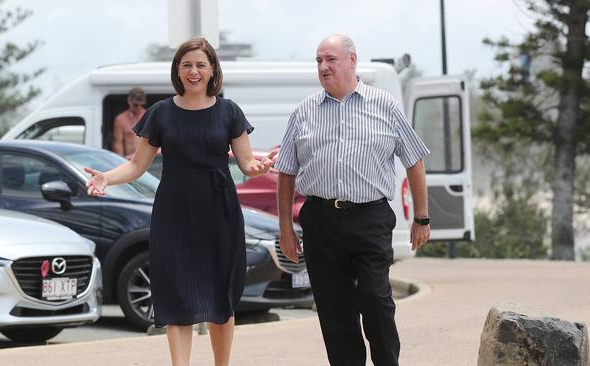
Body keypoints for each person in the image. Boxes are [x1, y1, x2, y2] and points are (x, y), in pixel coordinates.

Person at [85, 38, 275, 366]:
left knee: (221, 299)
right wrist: (106, 178)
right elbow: (136, 165)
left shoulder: (229, 111)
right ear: (177, 70)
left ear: (213, 69)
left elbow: (245, 163)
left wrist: (259, 167)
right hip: (174, 213)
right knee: (178, 296)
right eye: (186, 64)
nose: (194, 71)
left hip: (219, 212)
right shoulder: (161, 113)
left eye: (201, 64)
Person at [275, 34, 431, 366]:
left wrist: (422, 217)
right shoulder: (304, 112)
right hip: (320, 219)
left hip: (370, 217)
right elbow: (286, 171)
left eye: (330, 59)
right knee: (334, 310)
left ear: (352, 60)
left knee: (375, 299)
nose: (323, 66)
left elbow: (414, 159)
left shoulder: (384, 104)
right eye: (318, 61)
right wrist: (286, 229)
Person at [112, 86, 147, 157]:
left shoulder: (149, 116)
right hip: (129, 160)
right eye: (136, 105)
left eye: (141, 104)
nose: (139, 107)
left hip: (147, 160)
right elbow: (118, 142)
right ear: (129, 100)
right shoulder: (120, 119)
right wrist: (121, 161)